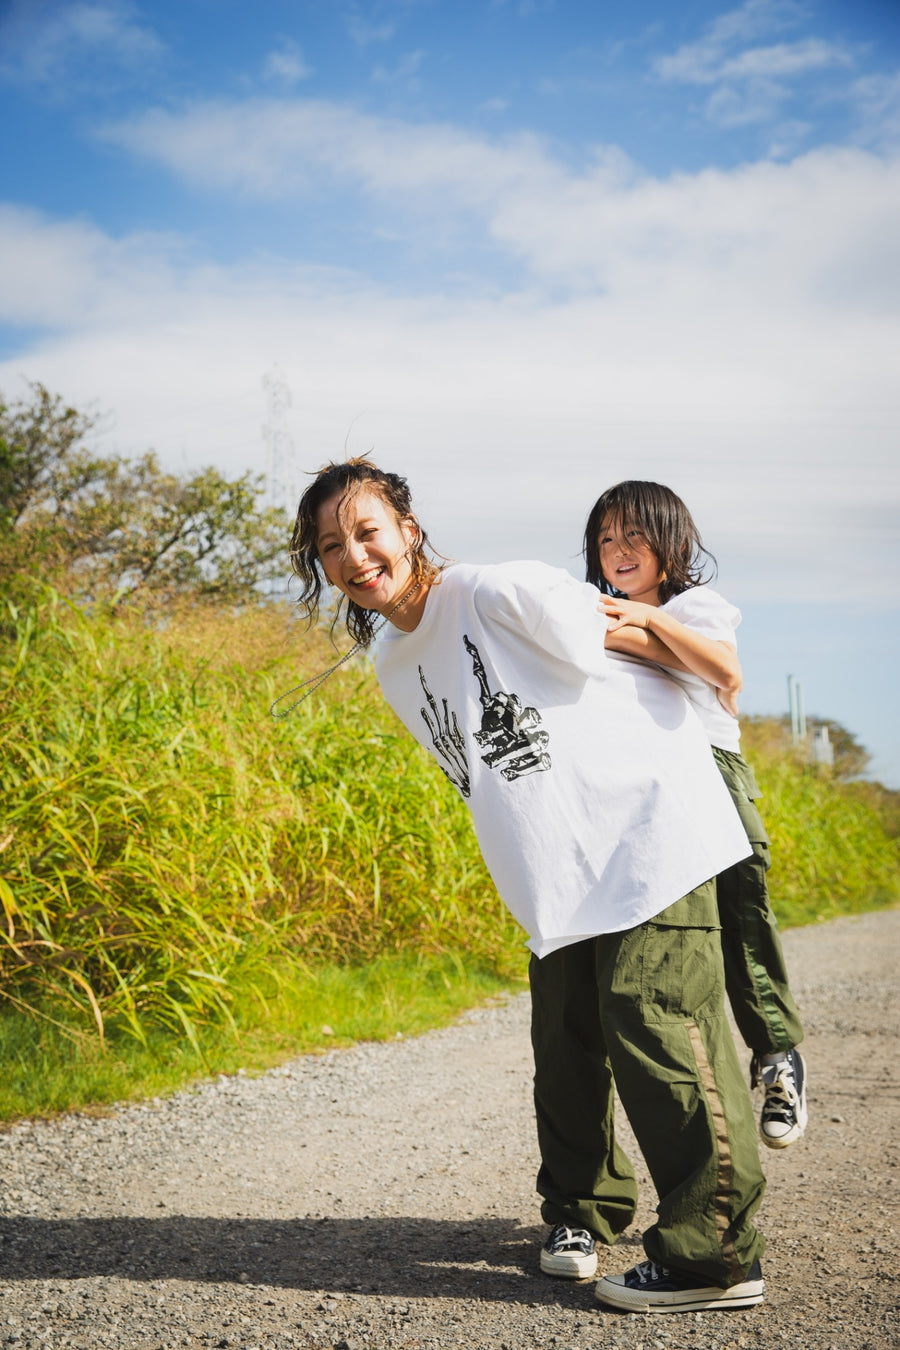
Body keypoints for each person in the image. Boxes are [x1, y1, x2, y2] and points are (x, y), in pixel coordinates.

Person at [289, 457, 768, 1314]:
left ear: (408, 529)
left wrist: (714, 674)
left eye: (366, 532)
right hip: (556, 873)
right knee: (567, 1048)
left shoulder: (489, 588)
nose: (355, 557)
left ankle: (715, 1255)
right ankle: (582, 1217)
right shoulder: (394, 662)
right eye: (332, 546)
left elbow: (627, 635)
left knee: (655, 1028)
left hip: (646, 831)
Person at [583, 479, 807, 1151]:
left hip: (712, 771)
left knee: (742, 917)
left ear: (670, 543)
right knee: (688, 943)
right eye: (604, 539)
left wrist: (646, 623)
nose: (618, 550)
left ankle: (777, 1057)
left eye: (633, 536)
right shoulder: (598, 614)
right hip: (649, 789)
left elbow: (725, 672)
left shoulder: (696, 605)